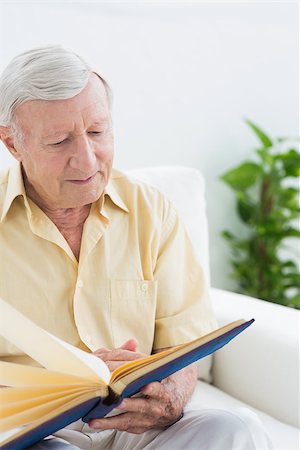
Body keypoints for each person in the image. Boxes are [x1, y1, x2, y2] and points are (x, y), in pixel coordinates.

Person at [0, 46, 272, 450]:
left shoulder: (152, 210)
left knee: (235, 429)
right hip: (28, 430)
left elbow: (184, 342)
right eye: (59, 142)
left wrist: (170, 397)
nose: (87, 159)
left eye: (97, 132)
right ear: (13, 144)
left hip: (133, 426)